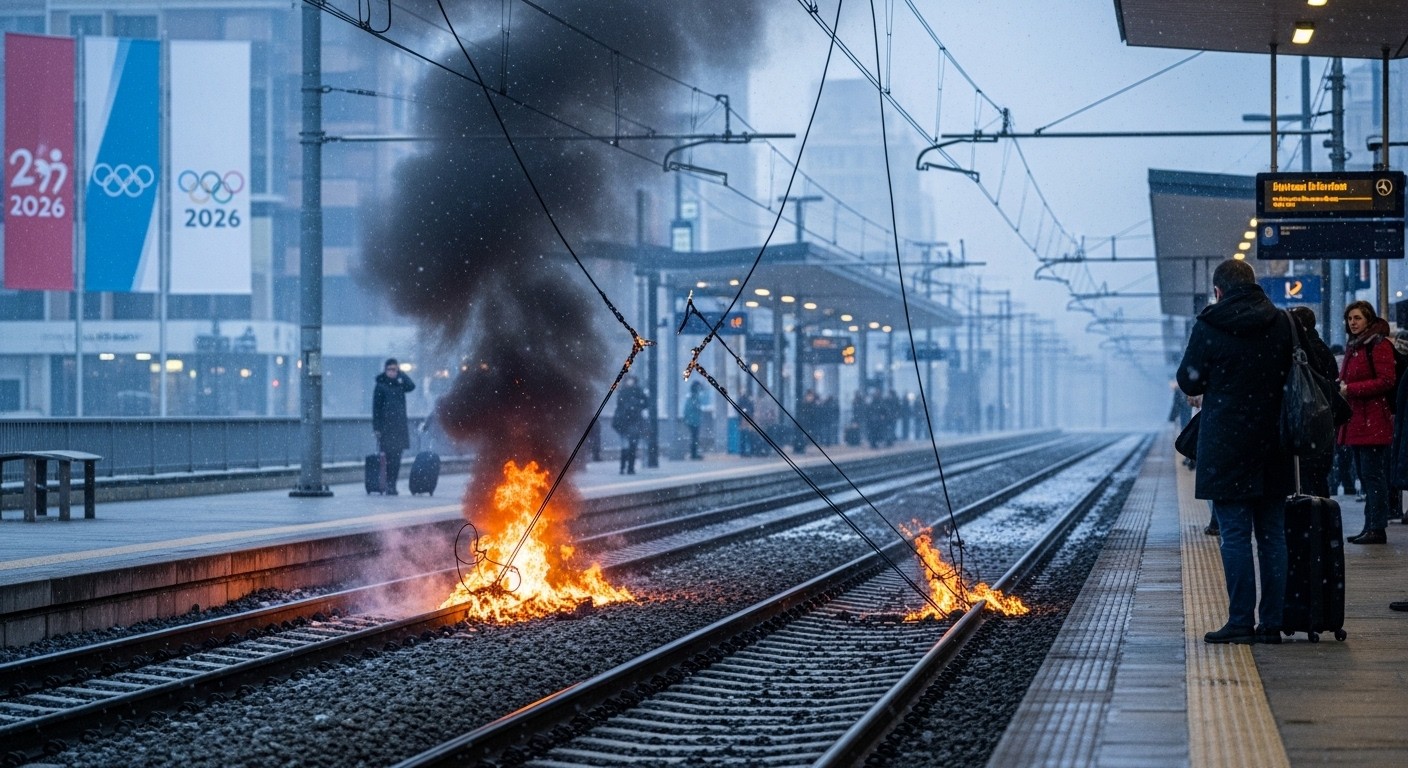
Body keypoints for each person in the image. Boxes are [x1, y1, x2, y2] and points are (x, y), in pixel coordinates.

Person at [1176, 259, 1291, 645]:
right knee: (1273, 535)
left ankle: (1241, 620)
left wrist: (1215, 377)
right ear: (1254, 285)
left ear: (1218, 291)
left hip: (1227, 440)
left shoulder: (1210, 325)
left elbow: (1188, 377)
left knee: (1236, 535)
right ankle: (1272, 623)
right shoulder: (1282, 322)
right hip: (1274, 439)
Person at [1337, 300, 1396, 544]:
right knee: (1367, 475)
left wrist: (1351, 389)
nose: (1353, 322)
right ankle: (1370, 525)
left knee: (1373, 476)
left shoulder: (1377, 345)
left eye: (1358, 318)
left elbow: (1386, 380)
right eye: (1350, 318)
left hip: (1372, 421)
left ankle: (1376, 527)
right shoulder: (1356, 346)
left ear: (1368, 319)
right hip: (1360, 421)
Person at [1289, 306, 1339, 498]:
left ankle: (1315, 522)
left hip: (1310, 421)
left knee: (1310, 477)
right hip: (1322, 420)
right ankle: (1321, 521)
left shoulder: (1306, 351)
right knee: (1316, 477)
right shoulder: (1318, 347)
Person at [372, 358, 416, 495]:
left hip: (399, 428)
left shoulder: (400, 384)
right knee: (387, 458)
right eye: (390, 369)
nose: (393, 372)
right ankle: (384, 483)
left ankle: (392, 484)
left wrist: (401, 374)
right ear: (385, 370)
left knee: (396, 459)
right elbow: (376, 409)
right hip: (386, 428)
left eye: (395, 370)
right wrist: (377, 428)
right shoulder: (380, 386)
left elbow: (412, 386)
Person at [612, 375, 649, 474]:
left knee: (627, 445)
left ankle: (625, 467)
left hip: (626, 422)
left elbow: (619, 405)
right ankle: (628, 468)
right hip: (630, 422)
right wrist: (638, 406)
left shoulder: (624, 391)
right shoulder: (636, 391)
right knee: (631, 445)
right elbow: (646, 403)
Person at [683, 381, 705, 460]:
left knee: (694, 437)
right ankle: (694, 454)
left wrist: (686, 419)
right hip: (694, 421)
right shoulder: (695, 398)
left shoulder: (691, 398)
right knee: (694, 438)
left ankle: (694, 453)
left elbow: (686, 410)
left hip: (692, 421)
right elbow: (697, 407)